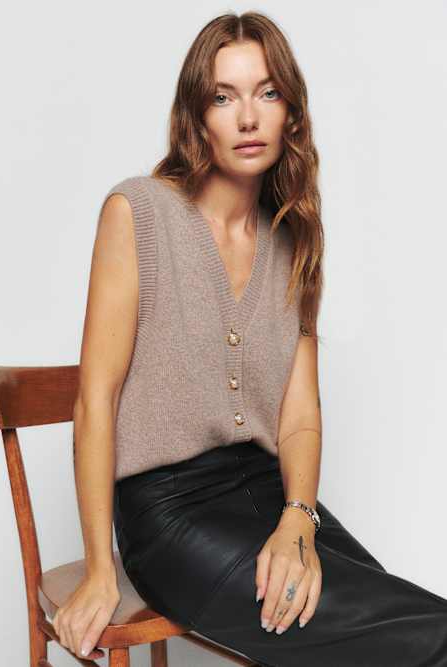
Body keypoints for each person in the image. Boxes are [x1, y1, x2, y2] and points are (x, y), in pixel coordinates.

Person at [52, 11, 447, 666]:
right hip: (171, 514)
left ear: (290, 112)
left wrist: (298, 517)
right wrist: (99, 567)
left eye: (267, 92)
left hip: (270, 494)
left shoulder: (294, 239)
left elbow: (299, 414)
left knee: (402, 622)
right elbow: (96, 399)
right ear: (196, 116)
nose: (246, 117)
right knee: (425, 636)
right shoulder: (138, 212)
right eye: (223, 96)